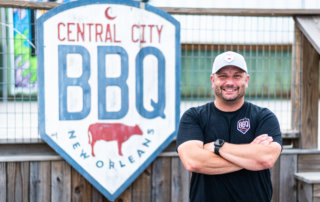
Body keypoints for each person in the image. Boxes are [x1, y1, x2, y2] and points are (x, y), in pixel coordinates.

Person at [176, 51, 282, 202]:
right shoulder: (194, 117)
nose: (230, 82)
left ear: (247, 80)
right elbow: (193, 161)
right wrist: (249, 159)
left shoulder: (264, 117)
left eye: (237, 76)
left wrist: (217, 146)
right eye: (223, 76)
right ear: (213, 80)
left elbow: (265, 159)